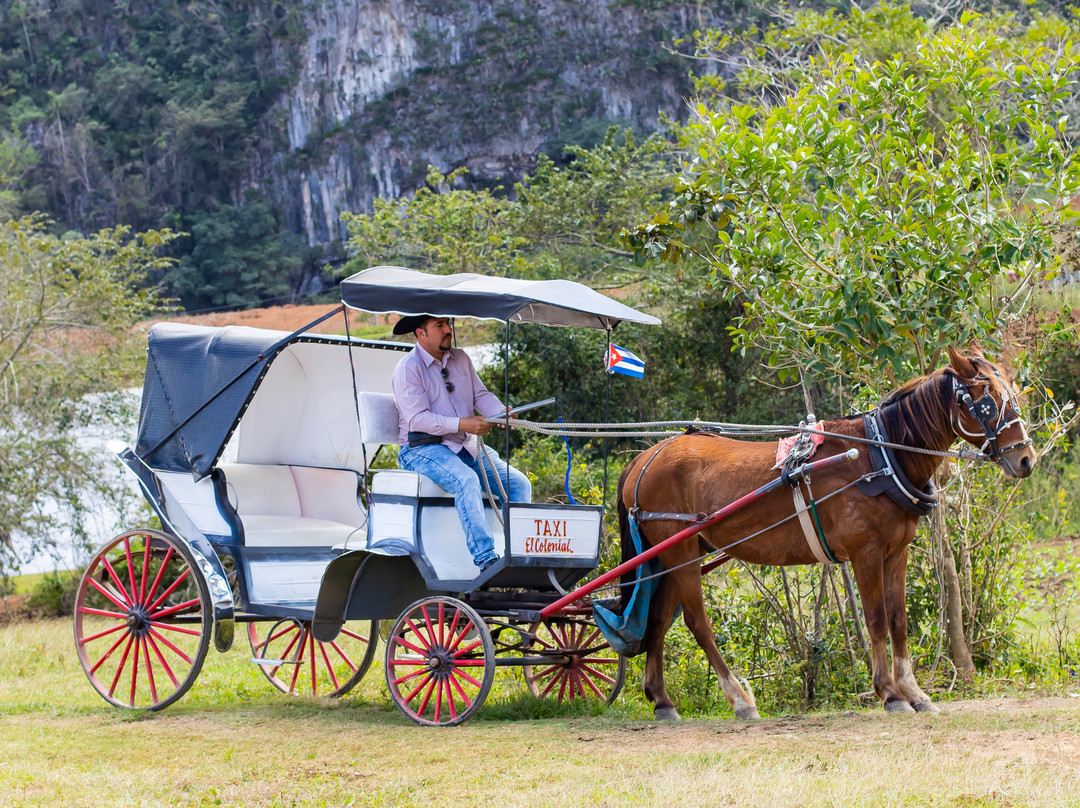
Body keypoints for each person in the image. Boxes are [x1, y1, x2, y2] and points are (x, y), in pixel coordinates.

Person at [391, 313, 532, 573]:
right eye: (440, 325)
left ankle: (521, 557)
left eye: (448, 323)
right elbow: (417, 420)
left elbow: (481, 394)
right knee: (466, 480)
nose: (448, 329)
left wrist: (500, 412)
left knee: (519, 483)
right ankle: (487, 561)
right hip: (421, 448)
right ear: (421, 333)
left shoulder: (461, 358)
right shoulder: (408, 369)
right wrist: (465, 424)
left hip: (464, 444)